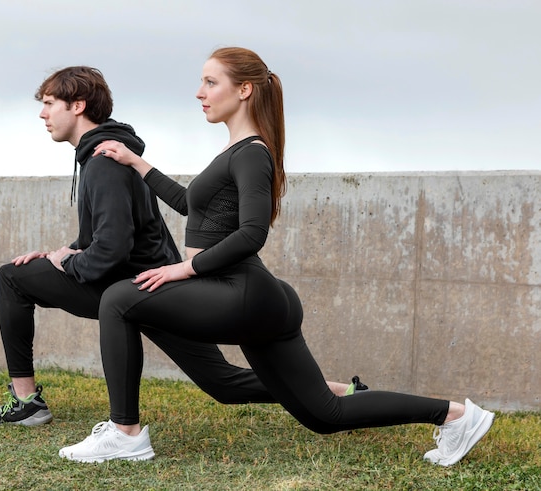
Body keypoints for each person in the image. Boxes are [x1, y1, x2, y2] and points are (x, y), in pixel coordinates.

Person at [59, 47, 494, 467]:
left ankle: (125, 434)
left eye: (211, 82)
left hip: (241, 290)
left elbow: (252, 234)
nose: (200, 92)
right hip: (259, 299)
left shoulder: (252, 153)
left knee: (119, 298)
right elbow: (191, 204)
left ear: (244, 90)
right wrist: (137, 163)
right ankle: (456, 415)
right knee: (325, 414)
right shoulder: (237, 150)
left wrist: (183, 269)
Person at [0, 65, 363, 427]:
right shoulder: (111, 154)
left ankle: (28, 403)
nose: (42, 114)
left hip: (135, 285)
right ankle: (342, 392)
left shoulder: (104, 162)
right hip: (157, 281)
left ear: (77, 107)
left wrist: (67, 265)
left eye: (48, 104)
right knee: (222, 384)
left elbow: (111, 248)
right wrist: (59, 255)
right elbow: (108, 235)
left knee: (12, 277)